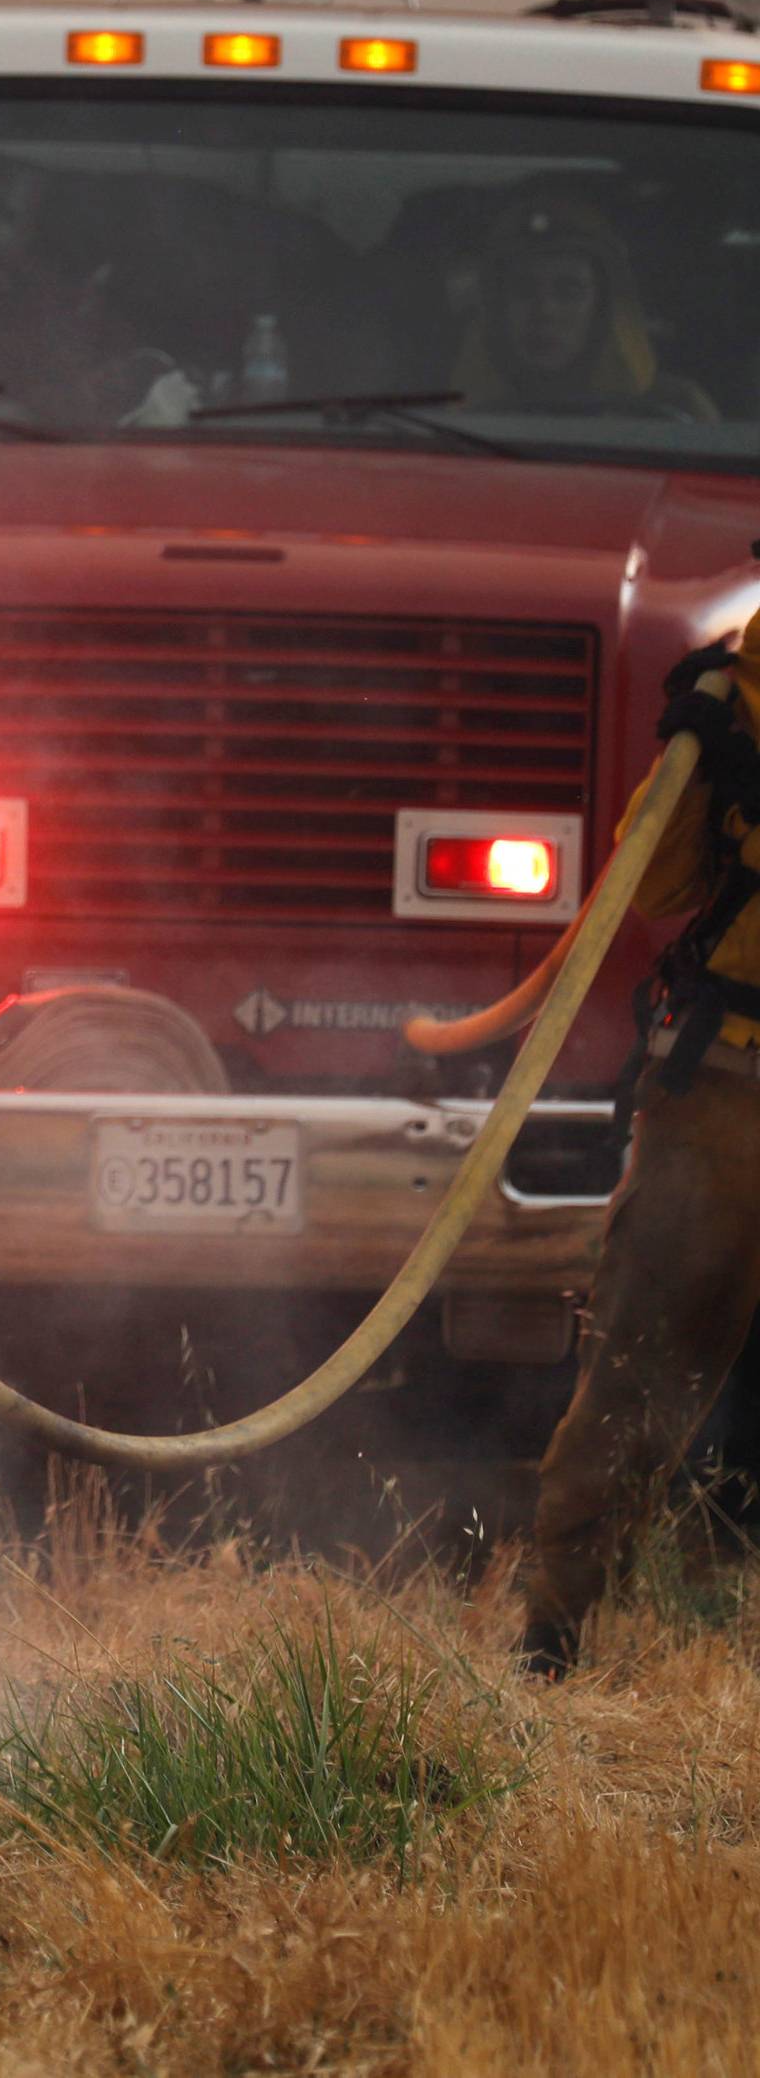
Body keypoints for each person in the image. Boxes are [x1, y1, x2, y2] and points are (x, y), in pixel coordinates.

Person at [521, 614, 760, 1679]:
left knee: (640, 1371)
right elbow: (658, 885)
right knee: (637, 1370)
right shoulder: (739, 690)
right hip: (731, 1082)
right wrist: (708, 729)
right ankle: (558, 1646)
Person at [454, 194, 716, 422]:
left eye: (569, 292)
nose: (545, 311)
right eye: (523, 291)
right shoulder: (446, 417)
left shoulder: (679, 410)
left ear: (602, 310)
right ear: (498, 309)